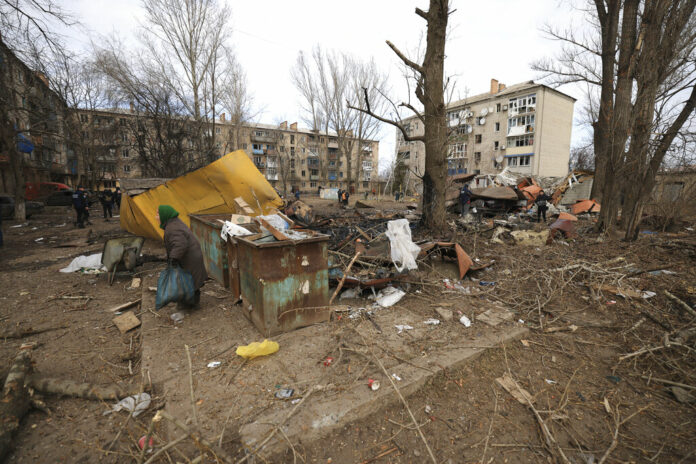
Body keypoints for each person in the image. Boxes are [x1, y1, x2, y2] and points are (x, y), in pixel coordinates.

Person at [157, 205, 207, 308]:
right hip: (190, 257)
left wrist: (173, 259)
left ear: (164, 215)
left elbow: (180, 244)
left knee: (187, 280)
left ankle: (190, 305)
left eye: (158, 214)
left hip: (189, 259)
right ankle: (191, 303)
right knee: (189, 280)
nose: (156, 217)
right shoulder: (174, 223)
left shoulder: (172, 228)